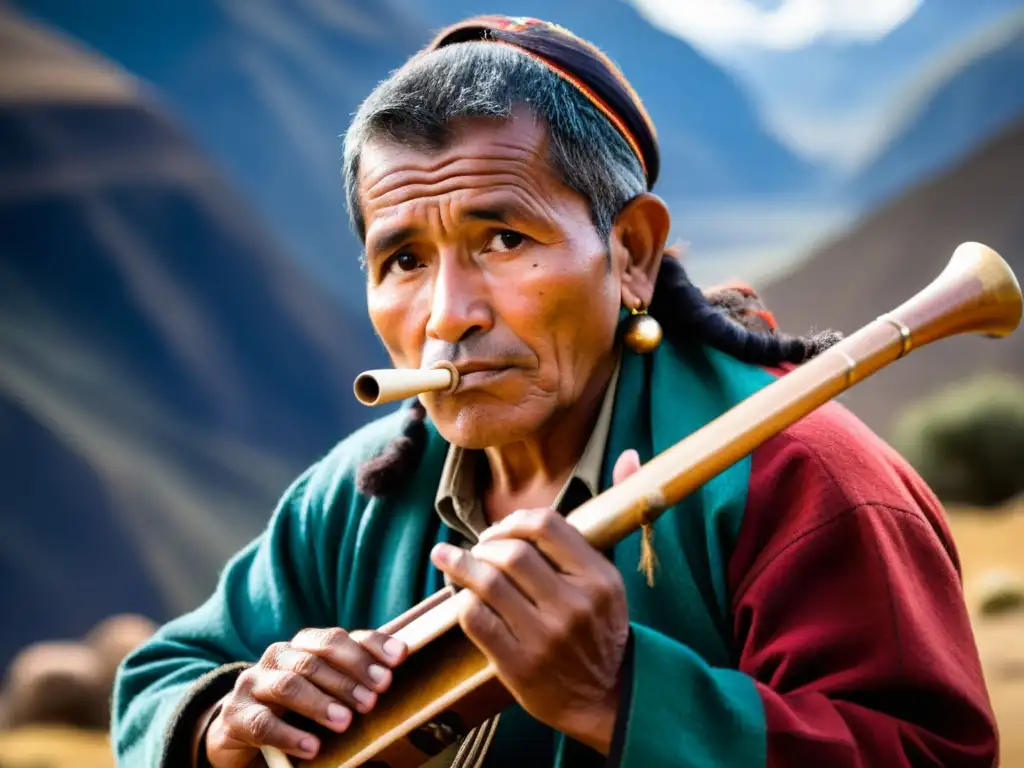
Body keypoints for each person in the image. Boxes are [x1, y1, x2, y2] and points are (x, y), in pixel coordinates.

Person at [112, 15, 998, 768]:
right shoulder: (354, 497)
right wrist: (225, 721)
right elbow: (155, 683)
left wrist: (621, 695)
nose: (448, 315)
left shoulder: (811, 486)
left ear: (632, 255)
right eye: (404, 260)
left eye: (502, 239)